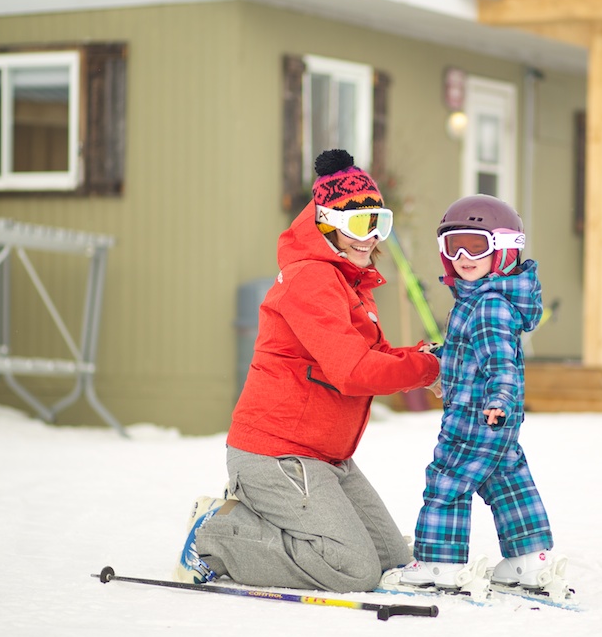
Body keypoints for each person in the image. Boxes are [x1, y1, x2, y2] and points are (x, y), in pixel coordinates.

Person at [174, 149, 440, 593]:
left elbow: (374, 354)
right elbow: (353, 370)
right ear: (326, 223)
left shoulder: (349, 279)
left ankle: (270, 523)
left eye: (379, 223)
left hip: (327, 458)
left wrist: (428, 356)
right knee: (354, 571)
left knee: (393, 562)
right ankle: (215, 536)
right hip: (277, 456)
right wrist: (426, 368)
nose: (370, 237)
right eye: (359, 224)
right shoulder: (310, 279)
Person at [391, 195, 564, 593]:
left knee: (447, 481)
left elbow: (501, 364)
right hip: (497, 420)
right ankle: (528, 559)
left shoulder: (486, 306)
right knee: (506, 480)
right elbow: (475, 353)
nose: (465, 256)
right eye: (455, 246)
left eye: (477, 245)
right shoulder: (486, 302)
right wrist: (441, 358)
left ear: (503, 251)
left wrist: (499, 400)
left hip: (476, 415)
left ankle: (440, 563)